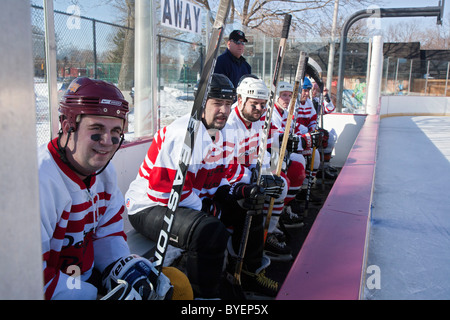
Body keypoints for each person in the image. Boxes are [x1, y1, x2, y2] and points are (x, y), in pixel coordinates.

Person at [125, 74, 280, 298]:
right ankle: (204, 298)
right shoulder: (183, 134)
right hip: (149, 206)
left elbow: (223, 174)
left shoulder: (223, 131)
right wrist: (207, 207)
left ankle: (247, 273)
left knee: (250, 207)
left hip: (188, 199)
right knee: (209, 231)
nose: (224, 110)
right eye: (217, 103)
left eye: (228, 104)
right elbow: (162, 190)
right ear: (201, 103)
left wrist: (241, 189)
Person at [39, 77, 174, 300]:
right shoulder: (38, 182)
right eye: (97, 128)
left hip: (83, 281)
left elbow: (107, 234)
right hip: (57, 291)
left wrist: (122, 270)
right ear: (67, 125)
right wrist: (96, 296)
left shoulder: (104, 172)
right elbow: (33, 280)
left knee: (177, 285)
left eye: (115, 132)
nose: (107, 141)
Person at [226, 75, 292, 261]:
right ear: (240, 100)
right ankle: (239, 247)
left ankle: (266, 235)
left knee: (280, 186)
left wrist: (271, 170)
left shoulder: (264, 118)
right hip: (233, 178)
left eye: (263, 105)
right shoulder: (229, 124)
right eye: (254, 104)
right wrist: (253, 176)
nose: (259, 109)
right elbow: (227, 166)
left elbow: (272, 149)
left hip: (254, 170)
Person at [293, 77, 322, 203]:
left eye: (308, 90)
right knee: (300, 160)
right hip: (295, 139)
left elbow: (313, 120)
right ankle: (295, 190)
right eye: (304, 90)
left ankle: (305, 189)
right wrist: (307, 134)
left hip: (306, 138)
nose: (306, 93)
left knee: (316, 158)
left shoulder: (309, 103)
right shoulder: (292, 103)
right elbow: (292, 124)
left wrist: (314, 132)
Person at [311, 81, 339, 180]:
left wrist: (325, 95)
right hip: (304, 131)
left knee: (330, 137)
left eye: (316, 89)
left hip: (313, 129)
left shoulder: (316, 100)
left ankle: (324, 168)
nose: (314, 91)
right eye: (312, 89)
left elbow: (330, 108)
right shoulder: (300, 101)